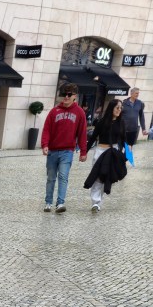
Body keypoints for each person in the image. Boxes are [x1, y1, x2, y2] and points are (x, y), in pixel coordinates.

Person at [41, 83, 88, 213]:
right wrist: (45, 144)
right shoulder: (54, 111)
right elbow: (46, 129)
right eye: (64, 94)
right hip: (52, 150)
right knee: (51, 177)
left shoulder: (80, 113)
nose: (66, 97)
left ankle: (60, 203)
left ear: (75, 96)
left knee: (63, 176)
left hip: (67, 151)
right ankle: (48, 202)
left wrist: (83, 151)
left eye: (69, 94)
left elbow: (82, 133)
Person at [83, 99, 127, 213]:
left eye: (120, 108)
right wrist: (84, 152)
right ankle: (95, 202)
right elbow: (93, 138)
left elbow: (124, 140)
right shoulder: (101, 122)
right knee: (97, 176)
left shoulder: (121, 122)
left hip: (113, 152)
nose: (119, 110)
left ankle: (98, 203)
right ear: (111, 108)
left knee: (106, 177)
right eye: (117, 107)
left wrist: (125, 155)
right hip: (100, 151)